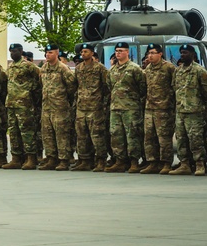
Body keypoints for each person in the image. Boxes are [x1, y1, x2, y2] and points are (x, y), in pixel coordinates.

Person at [172, 45, 207, 176]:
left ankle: (200, 164)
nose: (182, 55)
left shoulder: (199, 71)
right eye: (181, 53)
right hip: (181, 111)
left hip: (195, 112)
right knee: (181, 139)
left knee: (196, 139)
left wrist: (197, 103)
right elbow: (175, 88)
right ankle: (184, 164)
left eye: (185, 53)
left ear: (192, 54)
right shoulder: (178, 71)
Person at [107, 42, 146, 173]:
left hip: (131, 108)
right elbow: (109, 87)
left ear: (127, 52)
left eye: (121, 50)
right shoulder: (112, 70)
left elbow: (142, 87)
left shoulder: (134, 69)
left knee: (132, 135)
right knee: (116, 135)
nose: (118, 53)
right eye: (117, 51)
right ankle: (120, 161)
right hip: (115, 108)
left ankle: (134, 161)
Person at [39, 44, 77, 171]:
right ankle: (51, 158)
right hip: (47, 107)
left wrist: (64, 100)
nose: (47, 55)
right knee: (47, 134)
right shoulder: (44, 68)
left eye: (50, 53)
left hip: (60, 107)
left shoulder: (63, 69)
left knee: (62, 134)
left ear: (57, 53)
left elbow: (72, 87)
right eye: (46, 53)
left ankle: (64, 159)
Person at [4, 43, 41, 170]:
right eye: (11, 51)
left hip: (24, 105)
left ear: (21, 51)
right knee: (13, 132)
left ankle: (31, 158)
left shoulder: (29, 66)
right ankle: (16, 158)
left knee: (27, 132)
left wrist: (31, 96)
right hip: (11, 104)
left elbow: (39, 81)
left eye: (14, 51)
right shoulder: (10, 67)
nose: (12, 53)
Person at [74, 43, 110, 172]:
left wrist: (103, 104)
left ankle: (101, 160)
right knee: (82, 136)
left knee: (97, 135)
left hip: (95, 108)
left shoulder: (100, 68)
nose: (83, 54)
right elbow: (75, 86)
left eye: (86, 52)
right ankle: (85, 160)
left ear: (92, 53)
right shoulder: (78, 68)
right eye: (82, 52)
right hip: (81, 107)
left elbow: (106, 87)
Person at [141, 43, 176, 174]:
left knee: (164, 138)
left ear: (160, 54)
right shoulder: (148, 69)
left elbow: (175, 87)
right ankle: (152, 162)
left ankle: (166, 163)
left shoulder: (169, 68)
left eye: (152, 53)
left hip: (164, 109)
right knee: (149, 137)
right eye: (148, 53)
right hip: (150, 108)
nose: (150, 56)